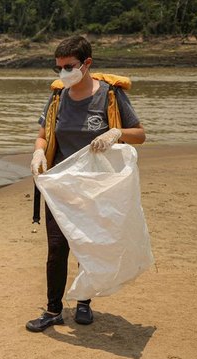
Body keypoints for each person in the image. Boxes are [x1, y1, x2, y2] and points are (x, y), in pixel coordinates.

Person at [26, 35, 146, 333]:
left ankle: (83, 302)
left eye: (69, 66)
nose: (63, 73)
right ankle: (53, 310)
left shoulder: (109, 95)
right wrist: (38, 152)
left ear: (87, 63)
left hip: (96, 187)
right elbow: (43, 135)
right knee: (57, 247)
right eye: (58, 68)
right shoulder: (58, 97)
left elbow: (140, 134)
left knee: (88, 244)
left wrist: (116, 133)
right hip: (61, 185)